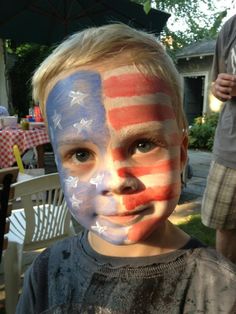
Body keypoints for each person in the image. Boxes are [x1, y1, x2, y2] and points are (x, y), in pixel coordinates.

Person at [16, 23, 236, 313]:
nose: (115, 180)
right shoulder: (45, 273)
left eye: (143, 145)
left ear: (181, 153)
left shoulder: (220, 291)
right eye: (81, 154)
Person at [201, 15, 236, 264]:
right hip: (231, 147)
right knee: (224, 225)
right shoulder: (231, 27)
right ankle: (227, 292)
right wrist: (218, 88)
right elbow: (218, 83)